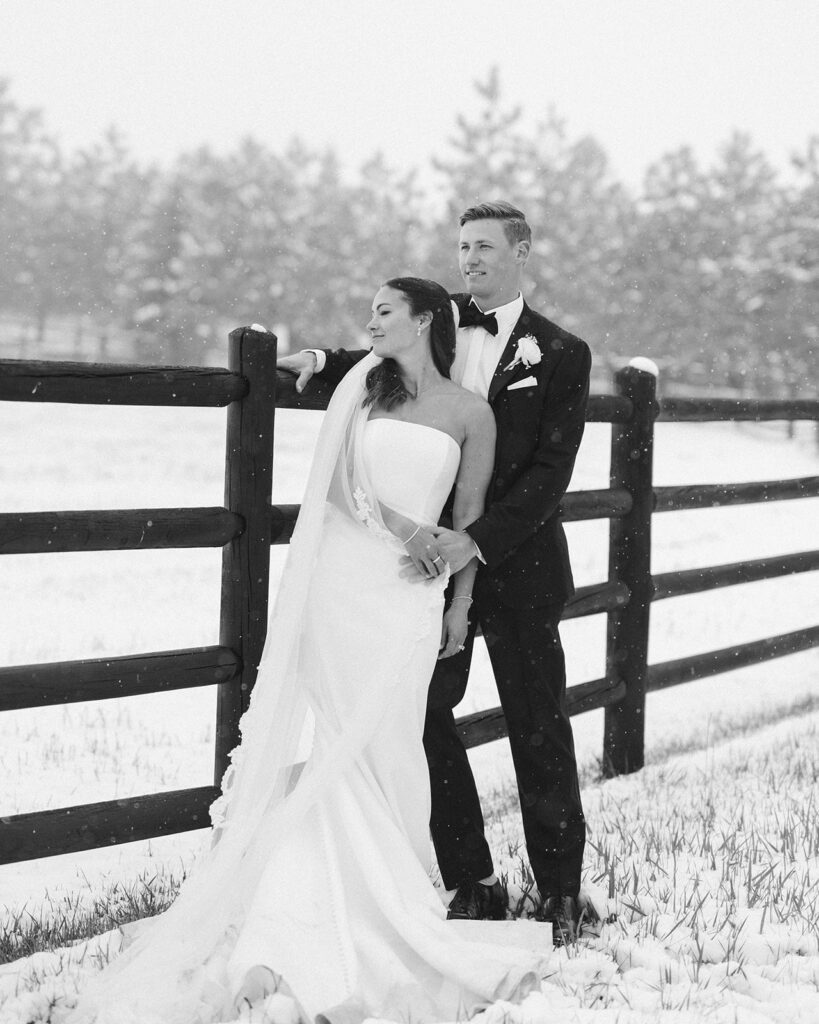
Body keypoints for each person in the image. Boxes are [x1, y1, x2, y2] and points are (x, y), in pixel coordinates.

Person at [62, 278, 549, 1024]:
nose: (370, 321)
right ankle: (301, 922)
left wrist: (457, 600)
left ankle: (379, 902)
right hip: (344, 582)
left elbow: (469, 519)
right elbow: (334, 486)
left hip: (410, 600)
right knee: (338, 744)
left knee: (389, 746)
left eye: (385, 312)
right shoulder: (361, 389)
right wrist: (407, 531)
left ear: (424, 322)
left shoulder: (471, 412)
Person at [280, 202, 592, 943]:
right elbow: (377, 360)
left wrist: (474, 542)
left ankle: (559, 891)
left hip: (514, 565)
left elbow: (549, 473)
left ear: (521, 250)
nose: (470, 259)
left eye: (485, 247)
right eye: (462, 248)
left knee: (536, 723)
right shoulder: (436, 320)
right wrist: (320, 363)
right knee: (422, 717)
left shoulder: (560, 353)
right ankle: (469, 878)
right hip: (419, 574)